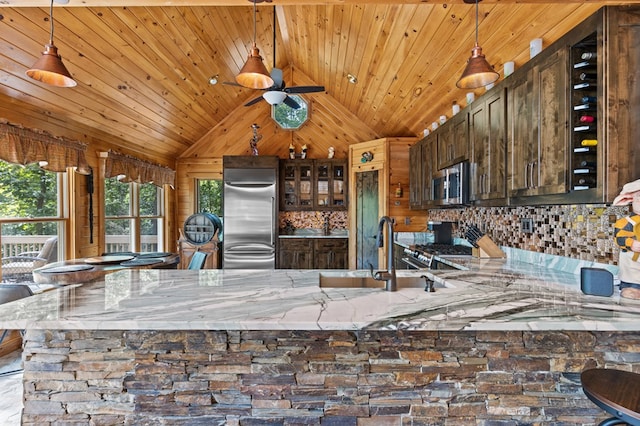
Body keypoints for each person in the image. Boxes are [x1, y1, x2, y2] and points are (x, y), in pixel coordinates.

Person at [613, 178, 640, 300]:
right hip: (632, 269)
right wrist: (630, 243)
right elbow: (618, 239)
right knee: (631, 289)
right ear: (630, 199)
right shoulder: (625, 222)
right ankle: (631, 288)